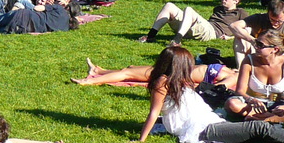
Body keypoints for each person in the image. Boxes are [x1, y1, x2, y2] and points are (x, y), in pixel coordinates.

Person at [136, 45, 284, 143]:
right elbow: (154, 112)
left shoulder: (179, 81)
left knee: (264, 141)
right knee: (260, 128)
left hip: (211, 123)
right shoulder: (163, 82)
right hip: (203, 130)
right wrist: (140, 140)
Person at [224, 32, 284, 119]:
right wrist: (251, 100)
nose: (255, 47)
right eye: (256, 43)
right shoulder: (249, 60)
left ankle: (263, 117)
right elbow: (240, 91)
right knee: (232, 104)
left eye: (260, 45)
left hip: (279, 104)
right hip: (253, 104)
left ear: (275, 49)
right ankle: (275, 118)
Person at [138, 0, 246, 46]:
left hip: (212, 33)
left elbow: (249, 31)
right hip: (204, 28)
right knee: (169, 5)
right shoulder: (218, 8)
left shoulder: (240, 12)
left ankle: (177, 40)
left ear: (236, 1)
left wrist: (230, 37)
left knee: (189, 10)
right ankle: (150, 36)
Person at [229, 0, 284, 72]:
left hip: (277, 55)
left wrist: (276, 54)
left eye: (279, 21)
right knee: (240, 35)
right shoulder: (259, 18)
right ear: (268, 14)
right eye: (272, 20)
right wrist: (252, 40)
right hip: (257, 50)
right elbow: (233, 26)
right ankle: (241, 68)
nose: (275, 24)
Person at [71, 56, 237, 87]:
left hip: (173, 74)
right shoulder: (236, 73)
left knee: (128, 74)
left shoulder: (232, 81)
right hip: (177, 69)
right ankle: (100, 71)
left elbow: (217, 90)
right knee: (130, 69)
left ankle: (90, 81)